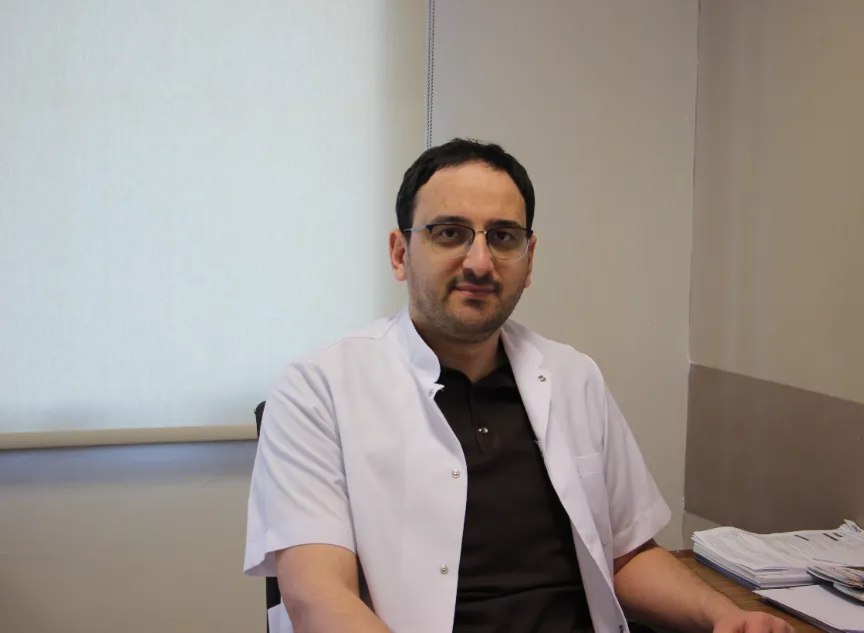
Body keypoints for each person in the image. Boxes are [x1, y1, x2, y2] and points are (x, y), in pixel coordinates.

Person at [244, 138, 795, 633]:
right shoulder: (319, 390)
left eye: (503, 237)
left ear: (528, 261)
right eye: (450, 233)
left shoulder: (574, 377)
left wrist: (723, 616)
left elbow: (626, 554)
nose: (480, 262)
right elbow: (317, 598)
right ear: (399, 253)